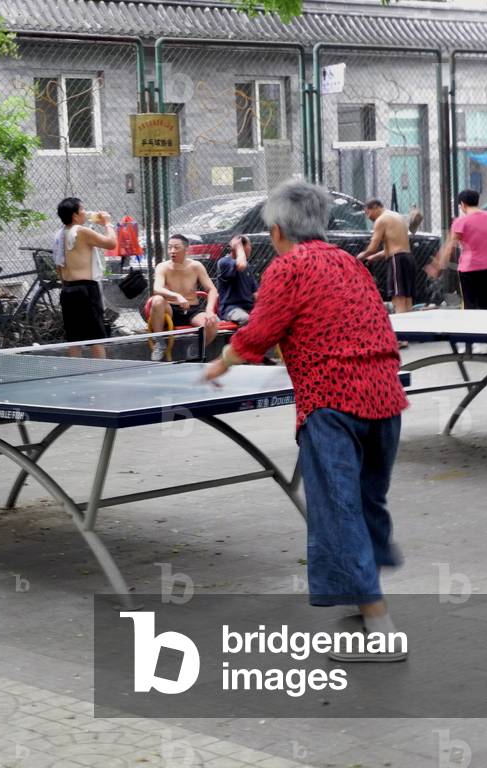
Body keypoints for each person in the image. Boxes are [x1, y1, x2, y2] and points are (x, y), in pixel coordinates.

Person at [204, 180, 409, 662]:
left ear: (276, 231)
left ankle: (380, 629)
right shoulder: (348, 262)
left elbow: (262, 329)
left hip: (331, 402)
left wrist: (223, 360)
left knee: (338, 512)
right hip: (384, 397)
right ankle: (367, 598)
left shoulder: (286, 267)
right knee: (364, 501)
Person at [54, 198, 116, 358]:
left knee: (74, 338)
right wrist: (107, 223)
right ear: (75, 215)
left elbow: (58, 266)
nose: (86, 213)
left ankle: (77, 373)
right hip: (86, 289)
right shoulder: (81, 231)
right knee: (96, 336)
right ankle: (102, 374)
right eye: (83, 210)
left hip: (67, 289)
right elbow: (111, 243)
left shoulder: (60, 234)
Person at [146, 234, 219, 360]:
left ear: (186, 249)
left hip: (192, 310)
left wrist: (210, 310)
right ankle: (160, 342)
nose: (172, 251)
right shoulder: (162, 267)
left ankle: (195, 349)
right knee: (157, 299)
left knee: (212, 324)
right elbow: (157, 288)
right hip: (170, 310)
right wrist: (177, 296)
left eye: (176, 247)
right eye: (169, 248)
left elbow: (212, 289)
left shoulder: (196, 266)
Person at [426, 189, 487, 310]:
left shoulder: (461, 222)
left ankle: (472, 328)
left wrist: (437, 267)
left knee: (470, 304)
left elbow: (449, 247)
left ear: (463, 204)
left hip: (470, 268)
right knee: (486, 302)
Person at [356, 199, 416, 315]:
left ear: (375, 207)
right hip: (408, 258)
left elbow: (373, 248)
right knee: (408, 300)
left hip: (397, 260)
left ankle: (401, 332)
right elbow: (388, 250)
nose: (368, 217)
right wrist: (371, 258)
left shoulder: (381, 220)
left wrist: (359, 257)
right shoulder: (397, 217)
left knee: (398, 300)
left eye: (367, 213)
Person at [215, 235, 258, 325]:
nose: (250, 248)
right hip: (231, 309)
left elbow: (256, 293)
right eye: (249, 245)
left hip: (250, 308)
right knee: (246, 319)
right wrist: (238, 247)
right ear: (241, 247)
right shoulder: (224, 262)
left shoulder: (247, 266)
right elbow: (240, 265)